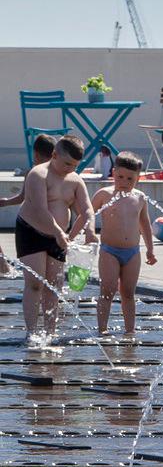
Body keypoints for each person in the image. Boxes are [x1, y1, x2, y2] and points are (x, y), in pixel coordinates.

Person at [16, 136, 94, 340]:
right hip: (32, 231)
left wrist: (90, 230)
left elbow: (87, 209)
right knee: (35, 283)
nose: (70, 168)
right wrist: (59, 233)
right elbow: (41, 209)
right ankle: (32, 332)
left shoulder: (75, 180)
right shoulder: (38, 174)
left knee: (53, 286)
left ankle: (50, 332)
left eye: (75, 165)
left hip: (58, 237)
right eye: (67, 163)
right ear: (54, 155)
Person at [89, 153, 158, 337]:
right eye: (120, 177)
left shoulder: (140, 198)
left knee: (128, 292)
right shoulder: (104, 194)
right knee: (108, 290)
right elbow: (87, 216)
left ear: (137, 179)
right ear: (113, 173)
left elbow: (145, 224)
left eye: (130, 179)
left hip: (133, 253)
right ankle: (102, 329)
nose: (124, 182)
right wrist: (85, 234)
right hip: (109, 251)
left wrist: (150, 249)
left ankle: (130, 330)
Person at [0, 135, 59, 277]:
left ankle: (6, 271)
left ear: (35, 154)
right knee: (52, 275)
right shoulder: (60, 173)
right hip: (54, 225)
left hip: (30, 225)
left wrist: (6, 201)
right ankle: (6, 270)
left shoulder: (32, 173)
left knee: (35, 275)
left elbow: (22, 198)